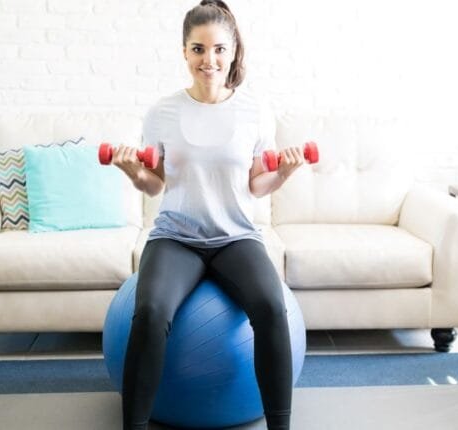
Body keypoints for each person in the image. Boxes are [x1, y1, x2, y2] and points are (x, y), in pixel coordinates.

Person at [109, 1, 305, 429]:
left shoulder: (254, 110)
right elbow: (154, 184)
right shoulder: (163, 111)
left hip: (236, 237)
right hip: (176, 237)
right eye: (198, 49)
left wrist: (285, 172)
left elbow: (257, 184)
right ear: (184, 52)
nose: (208, 60)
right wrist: (131, 170)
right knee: (151, 310)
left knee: (273, 307)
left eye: (218, 49)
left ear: (233, 51)